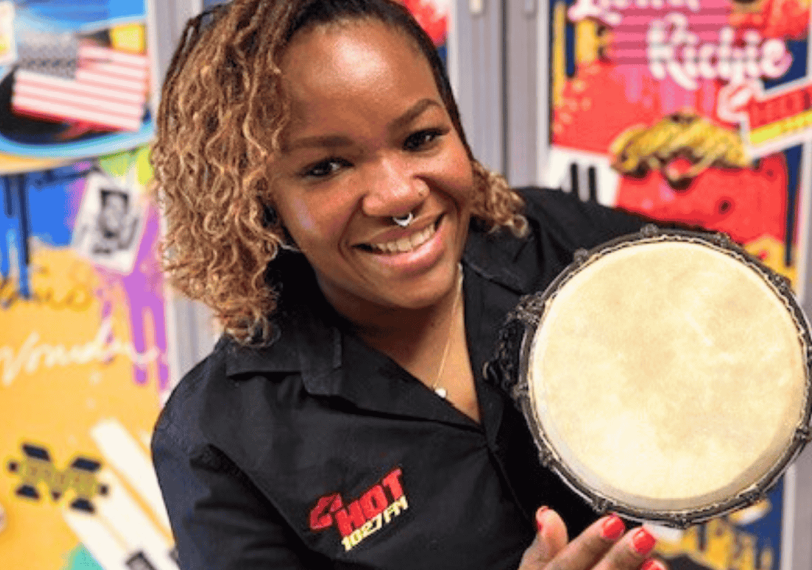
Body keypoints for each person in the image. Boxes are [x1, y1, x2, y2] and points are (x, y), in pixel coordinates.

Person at [149, 1, 668, 569]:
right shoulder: (219, 439)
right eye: (327, 167)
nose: (399, 196)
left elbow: (732, 321)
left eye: (420, 138)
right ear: (261, 201)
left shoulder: (549, 239)